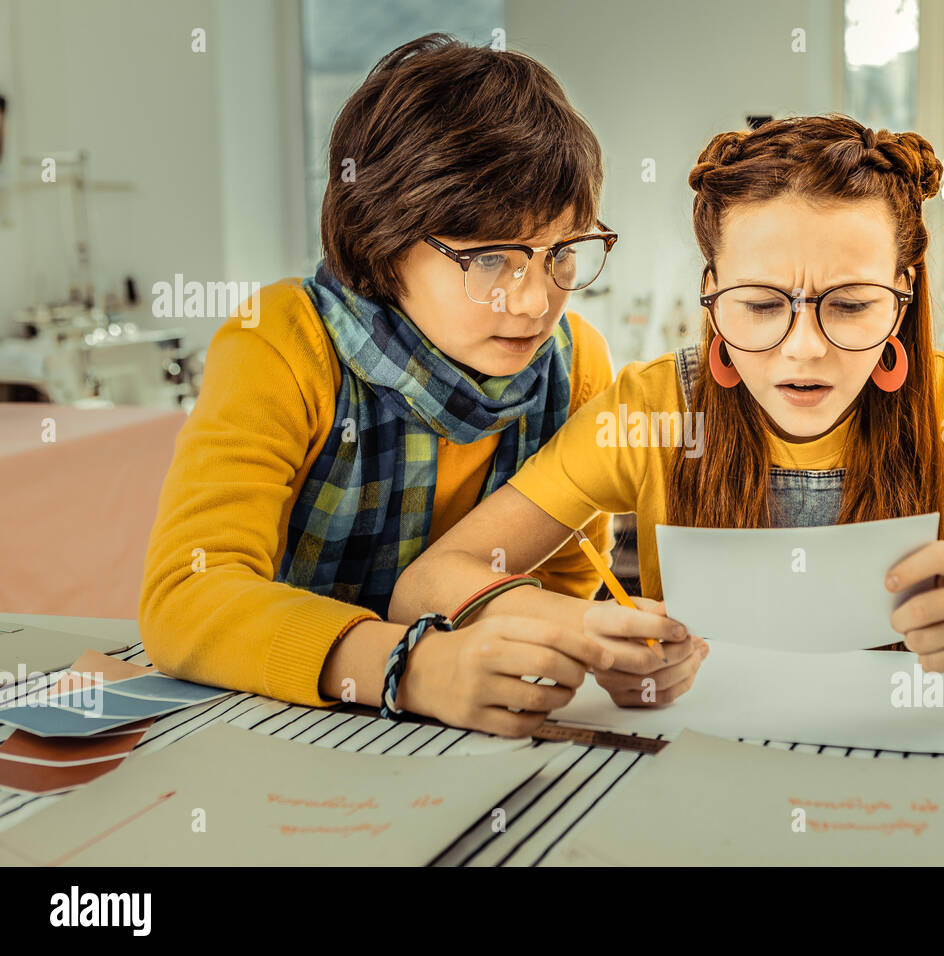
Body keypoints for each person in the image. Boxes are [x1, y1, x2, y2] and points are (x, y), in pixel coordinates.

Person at [392, 115, 944, 707]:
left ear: (903, 299)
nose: (804, 349)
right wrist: (578, 630)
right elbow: (430, 582)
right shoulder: (655, 409)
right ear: (711, 295)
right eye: (763, 305)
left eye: (853, 304)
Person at [139, 34, 621, 736]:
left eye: (563, 254)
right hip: (279, 724)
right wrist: (414, 668)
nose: (533, 302)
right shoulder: (279, 341)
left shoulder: (577, 367)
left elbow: (563, 585)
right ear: (382, 236)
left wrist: (594, 641)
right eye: (491, 258)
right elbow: (188, 596)